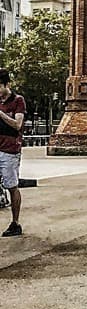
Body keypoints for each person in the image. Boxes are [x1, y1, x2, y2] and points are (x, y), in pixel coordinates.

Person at [0, 68, 26, 237]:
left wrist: (0, 114)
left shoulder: (17, 100)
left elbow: (17, 125)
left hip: (9, 150)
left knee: (12, 186)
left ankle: (15, 222)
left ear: (6, 84)